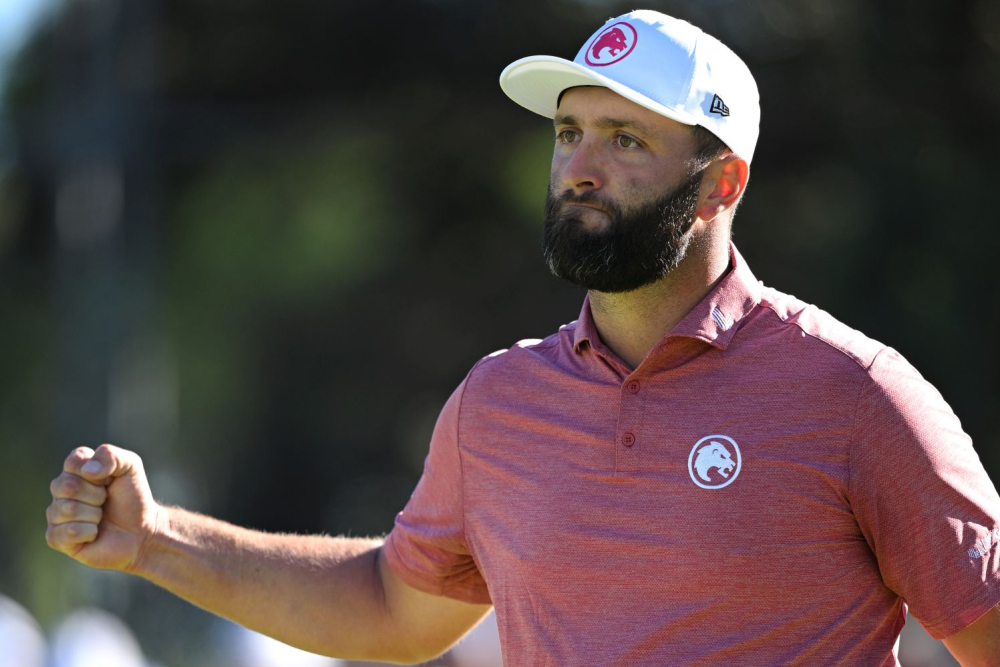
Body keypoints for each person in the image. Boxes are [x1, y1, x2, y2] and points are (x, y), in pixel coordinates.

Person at [45, 9, 1000, 666]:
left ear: (722, 185)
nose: (580, 167)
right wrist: (154, 540)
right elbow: (394, 606)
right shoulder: (498, 403)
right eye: (568, 132)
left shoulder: (855, 394)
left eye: (625, 140)